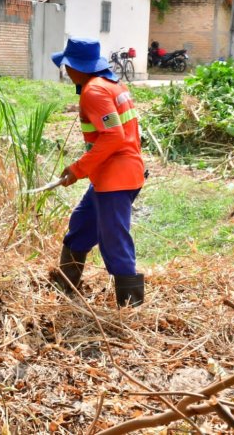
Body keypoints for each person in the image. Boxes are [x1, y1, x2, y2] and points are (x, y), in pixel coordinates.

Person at [50, 37, 145, 307]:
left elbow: (113, 137)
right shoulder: (112, 84)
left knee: (114, 241)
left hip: (116, 178)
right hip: (111, 176)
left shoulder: (94, 92)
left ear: (77, 67)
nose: (66, 73)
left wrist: (78, 169)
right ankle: (66, 287)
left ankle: (131, 307)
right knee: (81, 226)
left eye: (67, 66)